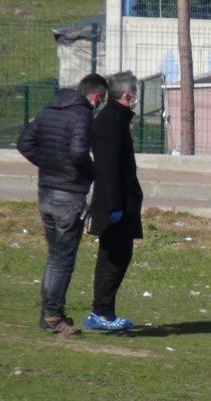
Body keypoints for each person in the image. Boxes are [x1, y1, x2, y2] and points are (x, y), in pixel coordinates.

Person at [16, 73, 108, 337]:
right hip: (68, 196)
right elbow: (79, 152)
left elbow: (24, 143)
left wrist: (48, 165)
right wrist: (91, 173)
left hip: (45, 193)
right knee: (62, 260)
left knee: (54, 256)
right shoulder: (82, 115)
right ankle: (54, 316)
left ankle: (49, 314)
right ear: (96, 96)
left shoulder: (49, 110)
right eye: (100, 101)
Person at [82, 71, 144, 331]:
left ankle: (104, 310)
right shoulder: (110, 122)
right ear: (128, 95)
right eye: (135, 94)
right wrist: (115, 206)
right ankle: (101, 311)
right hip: (115, 203)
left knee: (119, 253)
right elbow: (108, 168)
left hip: (122, 201)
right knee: (114, 255)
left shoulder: (116, 119)